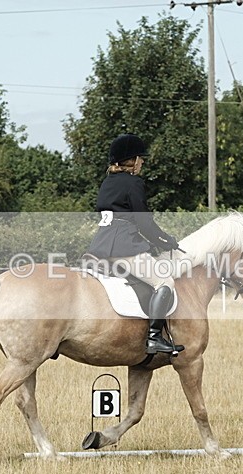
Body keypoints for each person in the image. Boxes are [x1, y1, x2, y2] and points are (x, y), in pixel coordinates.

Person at [87, 133, 184, 355]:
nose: (143, 162)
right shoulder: (133, 183)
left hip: (101, 245)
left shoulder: (108, 181)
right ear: (131, 160)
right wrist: (165, 240)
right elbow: (144, 222)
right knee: (164, 282)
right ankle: (154, 337)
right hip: (124, 246)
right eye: (140, 158)